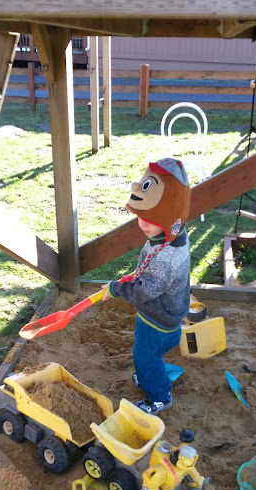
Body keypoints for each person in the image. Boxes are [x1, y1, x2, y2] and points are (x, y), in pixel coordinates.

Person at [103, 158, 191, 414]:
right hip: (161, 311)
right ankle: (147, 377)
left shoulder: (167, 260)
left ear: (170, 218)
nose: (143, 224)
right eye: (141, 216)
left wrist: (116, 288)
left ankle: (159, 396)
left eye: (151, 219)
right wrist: (133, 276)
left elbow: (143, 292)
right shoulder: (170, 234)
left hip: (159, 320)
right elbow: (148, 270)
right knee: (144, 353)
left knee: (146, 355)